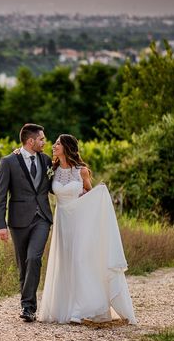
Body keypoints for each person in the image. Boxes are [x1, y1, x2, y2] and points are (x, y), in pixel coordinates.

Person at [37, 134, 136, 324]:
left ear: (67, 147)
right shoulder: (53, 169)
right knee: (64, 261)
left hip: (79, 220)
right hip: (62, 220)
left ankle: (79, 310)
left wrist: (100, 194)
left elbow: (89, 195)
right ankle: (62, 308)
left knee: (79, 260)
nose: (54, 145)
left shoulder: (81, 171)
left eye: (57, 143)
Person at [0, 123, 53, 322]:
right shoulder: (8, 162)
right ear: (31, 141)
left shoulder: (46, 161)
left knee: (33, 258)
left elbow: (55, 185)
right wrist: (0, 225)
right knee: (23, 265)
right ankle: (26, 305)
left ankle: (29, 307)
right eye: (42, 139)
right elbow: (0, 196)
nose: (44, 142)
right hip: (18, 220)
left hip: (42, 218)